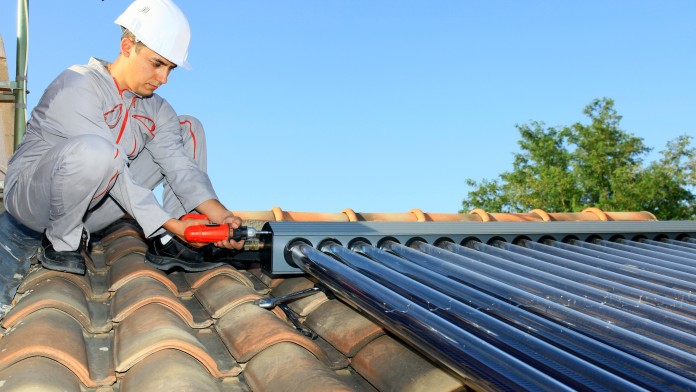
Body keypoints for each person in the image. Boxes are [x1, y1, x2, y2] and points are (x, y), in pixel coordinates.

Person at [3, 0, 243, 275]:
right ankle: (61, 243)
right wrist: (167, 222)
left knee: (188, 126)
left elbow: (180, 167)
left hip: (94, 211)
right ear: (127, 46)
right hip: (32, 202)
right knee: (102, 152)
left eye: (170, 69)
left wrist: (220, 217)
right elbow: (113, 168)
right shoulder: (78, 83)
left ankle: (174, 242)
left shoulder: (156, 108)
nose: (163, 78)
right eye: (157, 64)